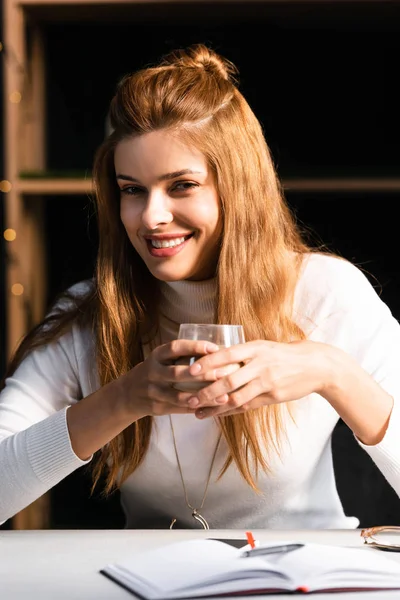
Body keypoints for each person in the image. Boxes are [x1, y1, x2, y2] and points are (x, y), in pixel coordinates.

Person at [1, 44, 399, 530]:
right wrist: (124, 398)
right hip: (152, 580)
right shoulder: (93, 313)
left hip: (308, 577)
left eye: (182, 185)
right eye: (132, 189)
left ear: (238, 187)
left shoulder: (325, 293)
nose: (151, 217)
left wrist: (333, 372)